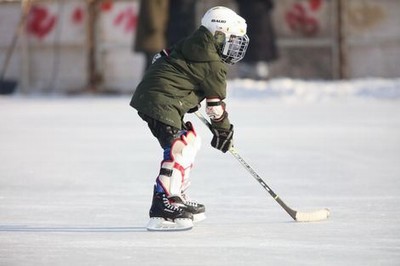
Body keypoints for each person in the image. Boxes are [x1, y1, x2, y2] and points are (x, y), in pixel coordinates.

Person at [130, 6, 249, 231]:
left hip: (158, 96)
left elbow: (169, 61)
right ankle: (163, 203)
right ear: (218, 34)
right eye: (231, 41)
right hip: (160, 100)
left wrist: (187, 94)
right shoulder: (213, 62)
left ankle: (177, 196)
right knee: (179, 147)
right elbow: (215, 108)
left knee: (190, 140)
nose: (234, 48)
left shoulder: (196, 43)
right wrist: (223, 131)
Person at [133, 0, 197, 70]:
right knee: (153, 64)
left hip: (160, 34)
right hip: (154, 35)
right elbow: (151, 10)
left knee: (154, 64)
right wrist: (156, 26)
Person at [235, 0, 278, 80]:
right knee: (246, 32)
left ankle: (259, 64)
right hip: (246, 8)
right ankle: (248, 65)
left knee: (261, 34)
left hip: (260, 9)